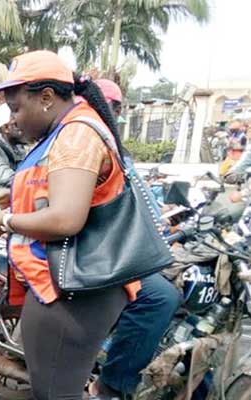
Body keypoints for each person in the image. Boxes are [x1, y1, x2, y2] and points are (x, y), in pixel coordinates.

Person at [0, 50, 141, 400]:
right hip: (66, 287)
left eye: (17, 108)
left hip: (73, 291)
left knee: (55, 393)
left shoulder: (75, 135)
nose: (14, 120)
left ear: (47, 98)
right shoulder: (66, 131)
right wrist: (8, 199)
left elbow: (66, 217)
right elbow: (64, 194)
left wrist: (3, 221)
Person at [87, 78, 182, 399]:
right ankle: (110, 385)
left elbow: (139, 196)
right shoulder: (85, 144)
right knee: (159, 298)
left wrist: (164, 220)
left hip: (121, 247)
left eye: (114, 111)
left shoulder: (116, 149)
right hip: (98, 251)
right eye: (107, 109)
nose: (110, 116)